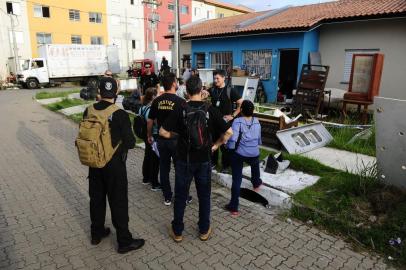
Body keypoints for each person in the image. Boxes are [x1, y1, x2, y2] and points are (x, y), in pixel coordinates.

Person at [159, 75, 233, 242]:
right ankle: (204, 229)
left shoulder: (180, 108)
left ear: (186, 89)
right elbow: (229, 132)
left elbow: (163, 132)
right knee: (204, 196)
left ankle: (177, 231)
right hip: (204, 160)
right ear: (201, 89)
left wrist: (178, 135)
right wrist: (215, 146)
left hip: (184, 160)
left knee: (180, 196)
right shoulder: (210, 110)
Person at [83, 77, 145, 254]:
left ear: (99, 93)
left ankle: (97, 233)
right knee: (118, 202)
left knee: (97, 199)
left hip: (94, 163)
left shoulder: (88, 110)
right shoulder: (120, 114)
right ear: (116, 92)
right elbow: (131, 142)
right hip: (115, 166)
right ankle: (124, 241)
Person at [147, 73, 186, 206]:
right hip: (176, 140)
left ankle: (167, 196)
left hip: (161, 139)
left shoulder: (157, 100)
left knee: (164, 168)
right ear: (174, 84)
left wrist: (149, 135)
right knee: (180, 168)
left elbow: (150, 120)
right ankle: (182, 196)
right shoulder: (180, 102)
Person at [225, 100, 263, 217]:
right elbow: (259, 140)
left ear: (241, 110)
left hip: (240, 154)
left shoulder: (237, 121)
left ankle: (234, 208)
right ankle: (256, 183)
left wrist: (228, 148)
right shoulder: (257, 121)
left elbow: (233, 139)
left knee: (237, 180)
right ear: (253, 111)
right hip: (254, 152)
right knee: (255, 162)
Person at [207, 69, 243, 172]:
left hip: (225, 123)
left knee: (225, 145)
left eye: (217, 78)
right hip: (213, 123)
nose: (215, 80)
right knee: (214, 142)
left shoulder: (230, 90)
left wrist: (233, 115)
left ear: (224, 78)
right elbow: (204, 95)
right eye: (214, 78)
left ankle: (225, 166)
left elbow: (241, 103)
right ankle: (213, 163)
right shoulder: (212, 90)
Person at [140, 87, 161, 191]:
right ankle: (154, 183)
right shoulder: (152, 108)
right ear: (153, 96)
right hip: (153, 135)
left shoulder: (142, 107)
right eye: (156, 95)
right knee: (155, 160)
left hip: (145, 135)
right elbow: (151, 122)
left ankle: (145, 178)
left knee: (147, 156)